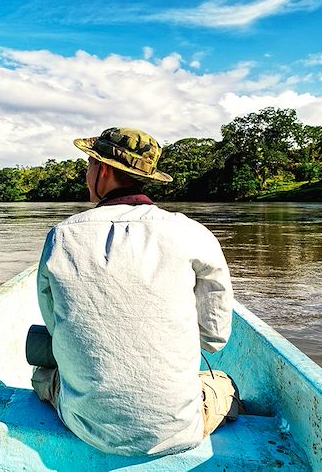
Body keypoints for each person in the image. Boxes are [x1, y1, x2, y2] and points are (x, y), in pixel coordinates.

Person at [31, 127, 241, 456]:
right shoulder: (192, 233)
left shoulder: (61, 237)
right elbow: (214, 339)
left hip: (83, 423)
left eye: (89, 165)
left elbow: (59, 329)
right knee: (224, 384)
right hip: (179, 430)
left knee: (43, 375)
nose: (86, 174)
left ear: (102, 170)